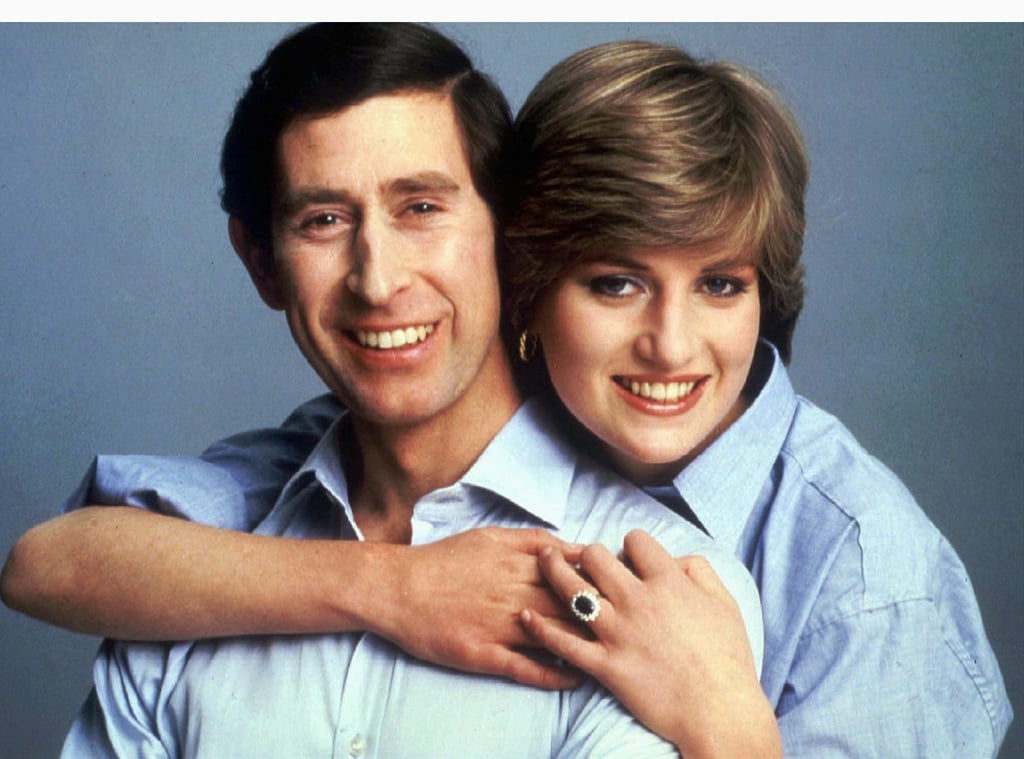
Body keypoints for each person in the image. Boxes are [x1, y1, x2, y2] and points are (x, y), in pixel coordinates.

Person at [3, 29, 1011, 758]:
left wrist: (726, 723)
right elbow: (53, 561)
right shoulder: (293, 498)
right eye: (613, 282)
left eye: (720, 284)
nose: (380, 281)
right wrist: (395, 586)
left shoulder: (857, 571)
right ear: (534, 270)